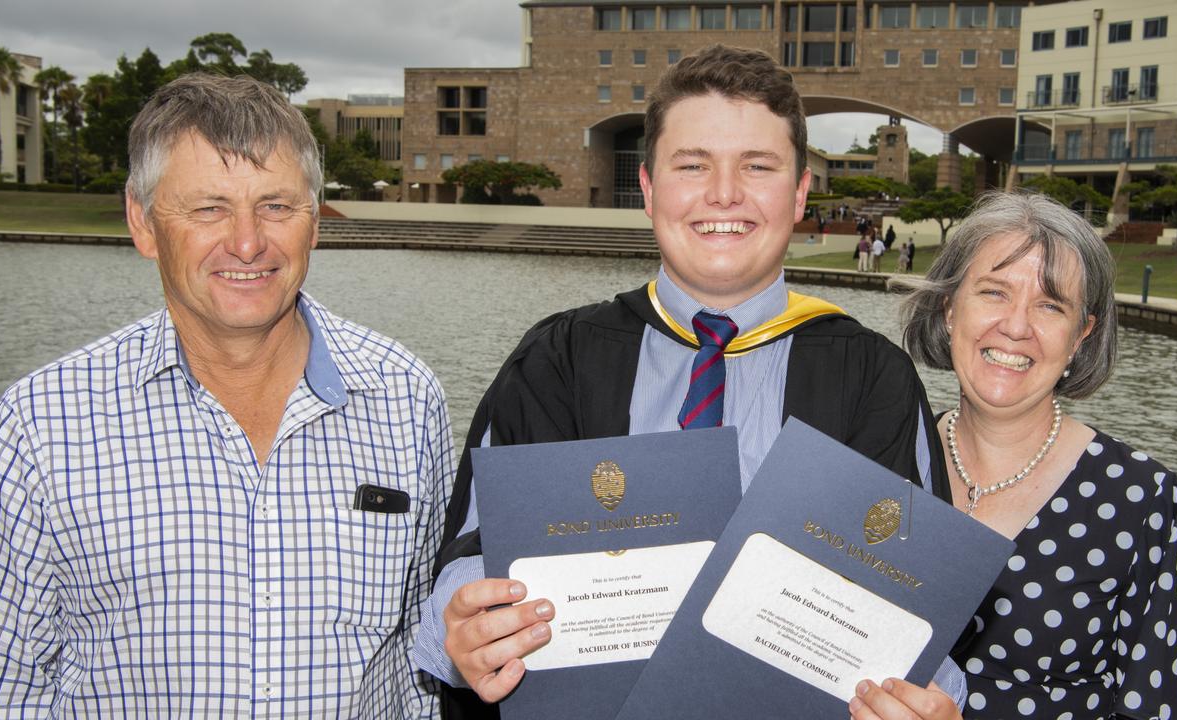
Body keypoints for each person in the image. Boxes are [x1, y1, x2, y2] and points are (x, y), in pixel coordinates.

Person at [411, 45, 959, 719]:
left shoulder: (871, 378)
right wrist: (468, 623)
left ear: (799, 194)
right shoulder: (560, 358)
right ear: (648, 189)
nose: (723, 193)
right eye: (692, 165)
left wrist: (924, 697)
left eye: (757, 167)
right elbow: (475, 547)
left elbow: (920, 606)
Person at [0, 74, 451, 717]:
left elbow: (428, 648)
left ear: (314, 222)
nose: (248, 242)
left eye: (277, 206)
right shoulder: (40, 423)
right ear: (143, 224)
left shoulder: (407, 398)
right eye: (208, 208)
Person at [859, 192, 1177, 719]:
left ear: (1082, 335)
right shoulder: (883, 462)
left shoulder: (1138, 498)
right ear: (949, 308)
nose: (1016, 326)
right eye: (993, 292)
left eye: (1050, 304)